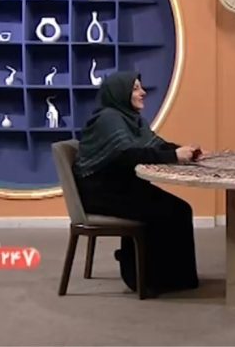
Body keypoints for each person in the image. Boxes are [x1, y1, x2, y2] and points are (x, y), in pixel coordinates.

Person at [73, 71, 201, 296]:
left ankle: (176, 278)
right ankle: (140, 278)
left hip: (121, 186)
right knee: (163, 212)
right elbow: (127, 155)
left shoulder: (132, 119)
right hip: (101, 191)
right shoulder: (109, 118)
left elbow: (155, 145)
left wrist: (186, 152)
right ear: (119, 93)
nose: (143, 92)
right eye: (135, 88)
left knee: (180, 209)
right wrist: (174, 156)